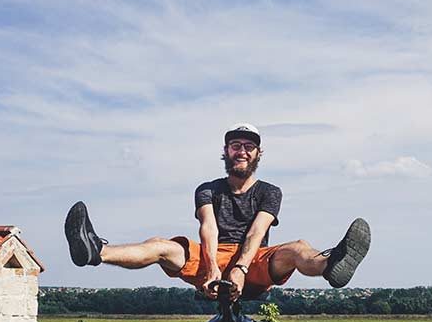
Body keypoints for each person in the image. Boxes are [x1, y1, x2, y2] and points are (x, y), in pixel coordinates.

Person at [65, 123, 370, 301]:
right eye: (235, 145)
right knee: (161, 246)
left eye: (248, 146)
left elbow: (257, 232)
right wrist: (213, 270)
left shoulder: (269, 191)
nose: (241, 151)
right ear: (225, 152)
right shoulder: (208, 188)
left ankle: (331, 264)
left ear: (258, 154)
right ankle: (95, 251)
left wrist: (240, 269)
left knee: (297, 249)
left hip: (254, 264)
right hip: (211, 257)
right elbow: (208, 228)